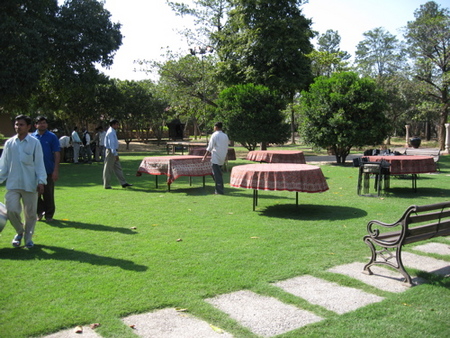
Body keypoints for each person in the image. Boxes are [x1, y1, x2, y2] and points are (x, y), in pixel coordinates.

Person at [0, 115, 47, 248]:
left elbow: (39, 164)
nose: (18, 127)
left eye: (21, 125)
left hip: (30, 184)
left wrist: (41, 181)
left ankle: (28, 239)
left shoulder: (34, 143)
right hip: (13, 184)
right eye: (16, 124)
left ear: (28, 127)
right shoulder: (9, 143)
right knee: (11, 210)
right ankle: (20, 231)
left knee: (31, 214)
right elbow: (3, 165)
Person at [32, 116, 60, 222]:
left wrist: (55, 170)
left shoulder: (52, 137)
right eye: (40, 123)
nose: (42, 125)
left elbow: (56, 153)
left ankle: (49, 215)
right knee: (35, 193)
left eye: (44, 123)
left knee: (48, 194)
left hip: (48, 169)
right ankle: (40, 212)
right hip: (34, 171)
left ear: (47, 125)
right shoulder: (32, 137)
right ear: (35, 125)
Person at [103, 119, 132, 189]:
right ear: (113, 125)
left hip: (113, 151)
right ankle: (106, 185)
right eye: (117, 124)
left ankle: (123, 182)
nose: (118, 126)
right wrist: (115, 154)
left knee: (118, 168)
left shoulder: (113, 131)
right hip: (111, 152)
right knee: (108, 169)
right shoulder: (110, 132)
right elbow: (111, 144)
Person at [202, 122, 229, 194]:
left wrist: (204, 156)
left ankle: (219, 190)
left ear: (216, 127)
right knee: (217, 173)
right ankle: (219, 187)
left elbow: (210, 147)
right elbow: (226, 147)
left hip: (216, 157)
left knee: (217, 174)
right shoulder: (225, 136)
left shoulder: (214, 135)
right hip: (222, 157)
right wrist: (226, 156)